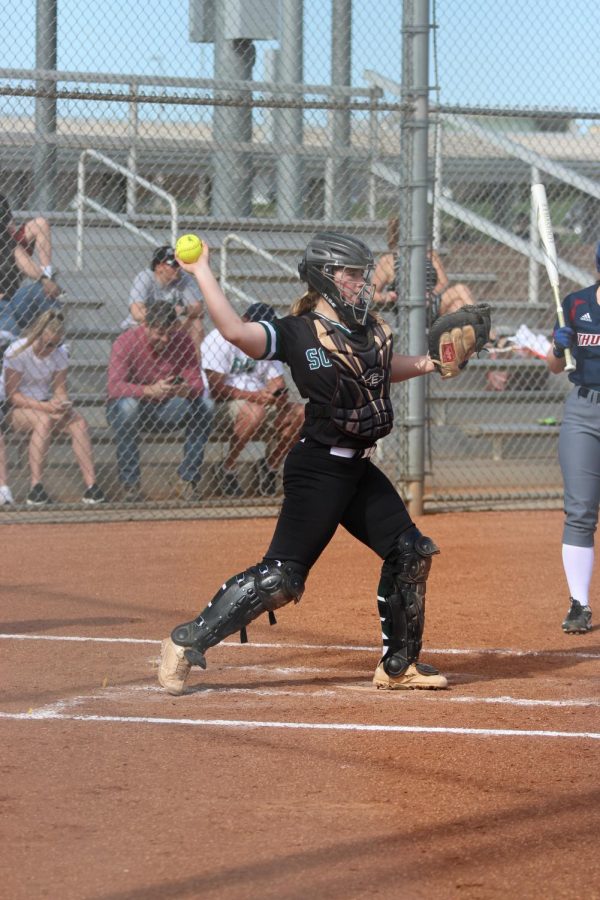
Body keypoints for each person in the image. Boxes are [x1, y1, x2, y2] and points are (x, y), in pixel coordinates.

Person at [158, 231, 452, 696]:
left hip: (358, 469)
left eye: (361, 273)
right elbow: (236, 332)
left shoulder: (370, 329)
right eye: (354, 274)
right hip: (317, 470)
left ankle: (398, 665)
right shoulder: (296, 331)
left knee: (410, 554)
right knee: (281, 578)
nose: (362, 283)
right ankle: (187, 641)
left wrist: (433, 363)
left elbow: (380, 368)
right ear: (327, 277)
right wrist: (201, 271)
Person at [107, 301, 214, 502]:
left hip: (166, 407)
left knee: (205, 405)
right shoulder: (125, 341)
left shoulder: (182, 340)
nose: (165, 339)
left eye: (169, 333)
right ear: (146, 326)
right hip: (130, 408)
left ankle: (187, 479)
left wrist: (185, 390)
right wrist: (148, 390)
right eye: (159, 333)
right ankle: (131, 485)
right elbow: (114, 387)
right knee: (128, 406)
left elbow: (198, 384)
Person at [546, 241, 600, 635]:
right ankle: (579, 604)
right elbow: (553, 367)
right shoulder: (576, 303)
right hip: (583, 410)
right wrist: (557, 345)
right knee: (580, 509)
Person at [1, 310, 106, 507]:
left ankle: (92, 487)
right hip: (15, 408)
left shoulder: (59, 354)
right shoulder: (17, 351)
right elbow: (13, 395)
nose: (51, 349)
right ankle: (36, 488)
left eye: (55, 344)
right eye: (47, 343)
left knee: (79, 423)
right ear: (37, 335)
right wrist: (45, 407)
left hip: (43, 403)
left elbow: (60, 389)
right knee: (44, 420)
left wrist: (62, 404)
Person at [201, 301, 304, 497]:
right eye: (259, 326)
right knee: (254, 412)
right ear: (245, 321)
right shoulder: (220, 339)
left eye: (267, 326)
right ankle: (228, 468)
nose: (263, 331)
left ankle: (269, 466)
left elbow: (277, 382)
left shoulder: (267, 342)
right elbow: (215, 389)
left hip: (260, 403)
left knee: (302, 413)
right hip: (223, 406)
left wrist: (278, 396)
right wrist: (255, 396)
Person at [372, 216, 475, 324]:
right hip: (407, 308)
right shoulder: (389, 260)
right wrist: (386, 297)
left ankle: (481, 335)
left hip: (433, 303)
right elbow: (371, 292)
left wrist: (430, 295)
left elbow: (443, 281)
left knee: (458, 305)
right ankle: (487, 334)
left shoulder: (430, 254)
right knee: (460, 290)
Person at [0, 193, 62, 338]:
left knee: (43, 292)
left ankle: (57, 343)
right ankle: (8, 346)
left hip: (13, 299)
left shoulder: (8, 243)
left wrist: (45, 279)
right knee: (8, 328)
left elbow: (18, 252)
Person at [121, 245, 205, 352]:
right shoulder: (144, 278)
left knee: (196, 323)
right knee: (144, 324)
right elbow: (137, 312)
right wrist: (164, 317)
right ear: (158, 266)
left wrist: (183, 310)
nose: (178, 268)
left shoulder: (184, 278)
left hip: (171, 326)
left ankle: (197, 367)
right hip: (144, 325)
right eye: (173, 264)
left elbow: (199, 309)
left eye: (179, 264)